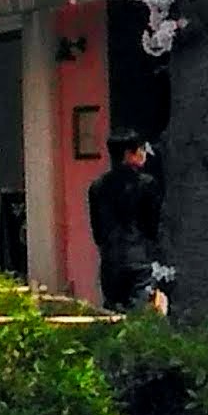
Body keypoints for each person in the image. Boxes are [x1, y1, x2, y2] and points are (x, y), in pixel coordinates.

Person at [88, 130, 166, 311]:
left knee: (113, 313)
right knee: (140, 315)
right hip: (138, 259)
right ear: (128, 154)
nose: (144, 153)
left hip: (110, 260)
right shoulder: (146, 184)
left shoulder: (97, 186)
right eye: (140, 149)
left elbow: (97, 230)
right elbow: (152, 224)